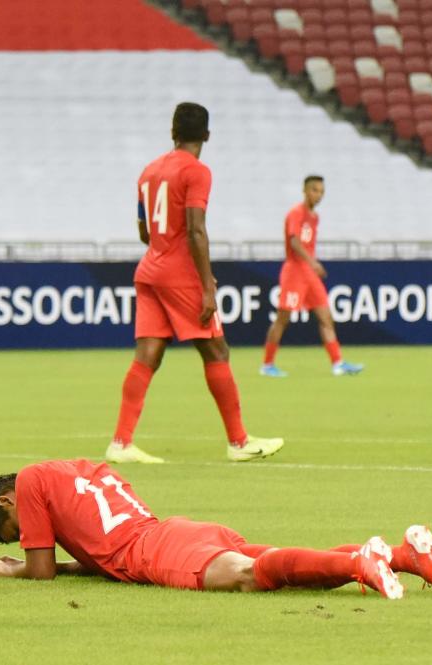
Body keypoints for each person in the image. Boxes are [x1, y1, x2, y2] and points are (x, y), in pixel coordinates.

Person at [0, 459, 432, 599]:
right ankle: (405, 556)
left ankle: (357, 563)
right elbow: (93, 558)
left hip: (153, 550)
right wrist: (66, 564)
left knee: (249, 576)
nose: (27, 539)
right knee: (279, 563)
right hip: (178, 530)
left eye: (16, 530)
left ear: (7, 500)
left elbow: (39, 573)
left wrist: (10, 569)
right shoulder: (79, 470)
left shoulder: (33, 479)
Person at [107, 102, 283, 464]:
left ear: (173, 131)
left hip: (149, 269)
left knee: (148, 355)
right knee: (217, 351)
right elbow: (196, 229)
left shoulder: (149, 170)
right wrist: (206, 286)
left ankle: (121, 443)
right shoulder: (197, 171)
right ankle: (238, 442)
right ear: (206, 135)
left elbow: (144, 229)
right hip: (179, 274)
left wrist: (161, 246)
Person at [260, 176, 364, 378]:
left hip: (309, 274)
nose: (319, 195)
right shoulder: (296, 213)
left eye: (322, 191)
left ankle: (338, 364)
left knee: (326, 317)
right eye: (315, 190)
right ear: (305, 191)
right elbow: (294, 241)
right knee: (283, 319)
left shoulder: (314, 217)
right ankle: (267, 365)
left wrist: (312, 265)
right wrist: (313, 262)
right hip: (295, 273)